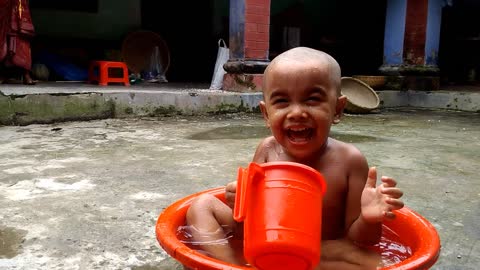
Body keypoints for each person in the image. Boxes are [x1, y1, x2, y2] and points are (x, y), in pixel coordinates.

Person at [186, 47, 404, 269]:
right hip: (267, 242)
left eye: (312, 100)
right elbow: (247, 226)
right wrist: (241, 204)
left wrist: (369, 219)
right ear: (266, 114)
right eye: (282, 101)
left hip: (323, 251)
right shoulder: (268, 150)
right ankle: (232, 265)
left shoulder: (350, 161)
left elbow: (358, 241)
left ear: (337, 109)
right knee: (201, 206)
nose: (297, 112)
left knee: (382, 263)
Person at [0, 0, 36, 85]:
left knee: (22, 37)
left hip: (19, 5)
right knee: (3, 39)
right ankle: (1, 74)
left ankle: (26, 74)